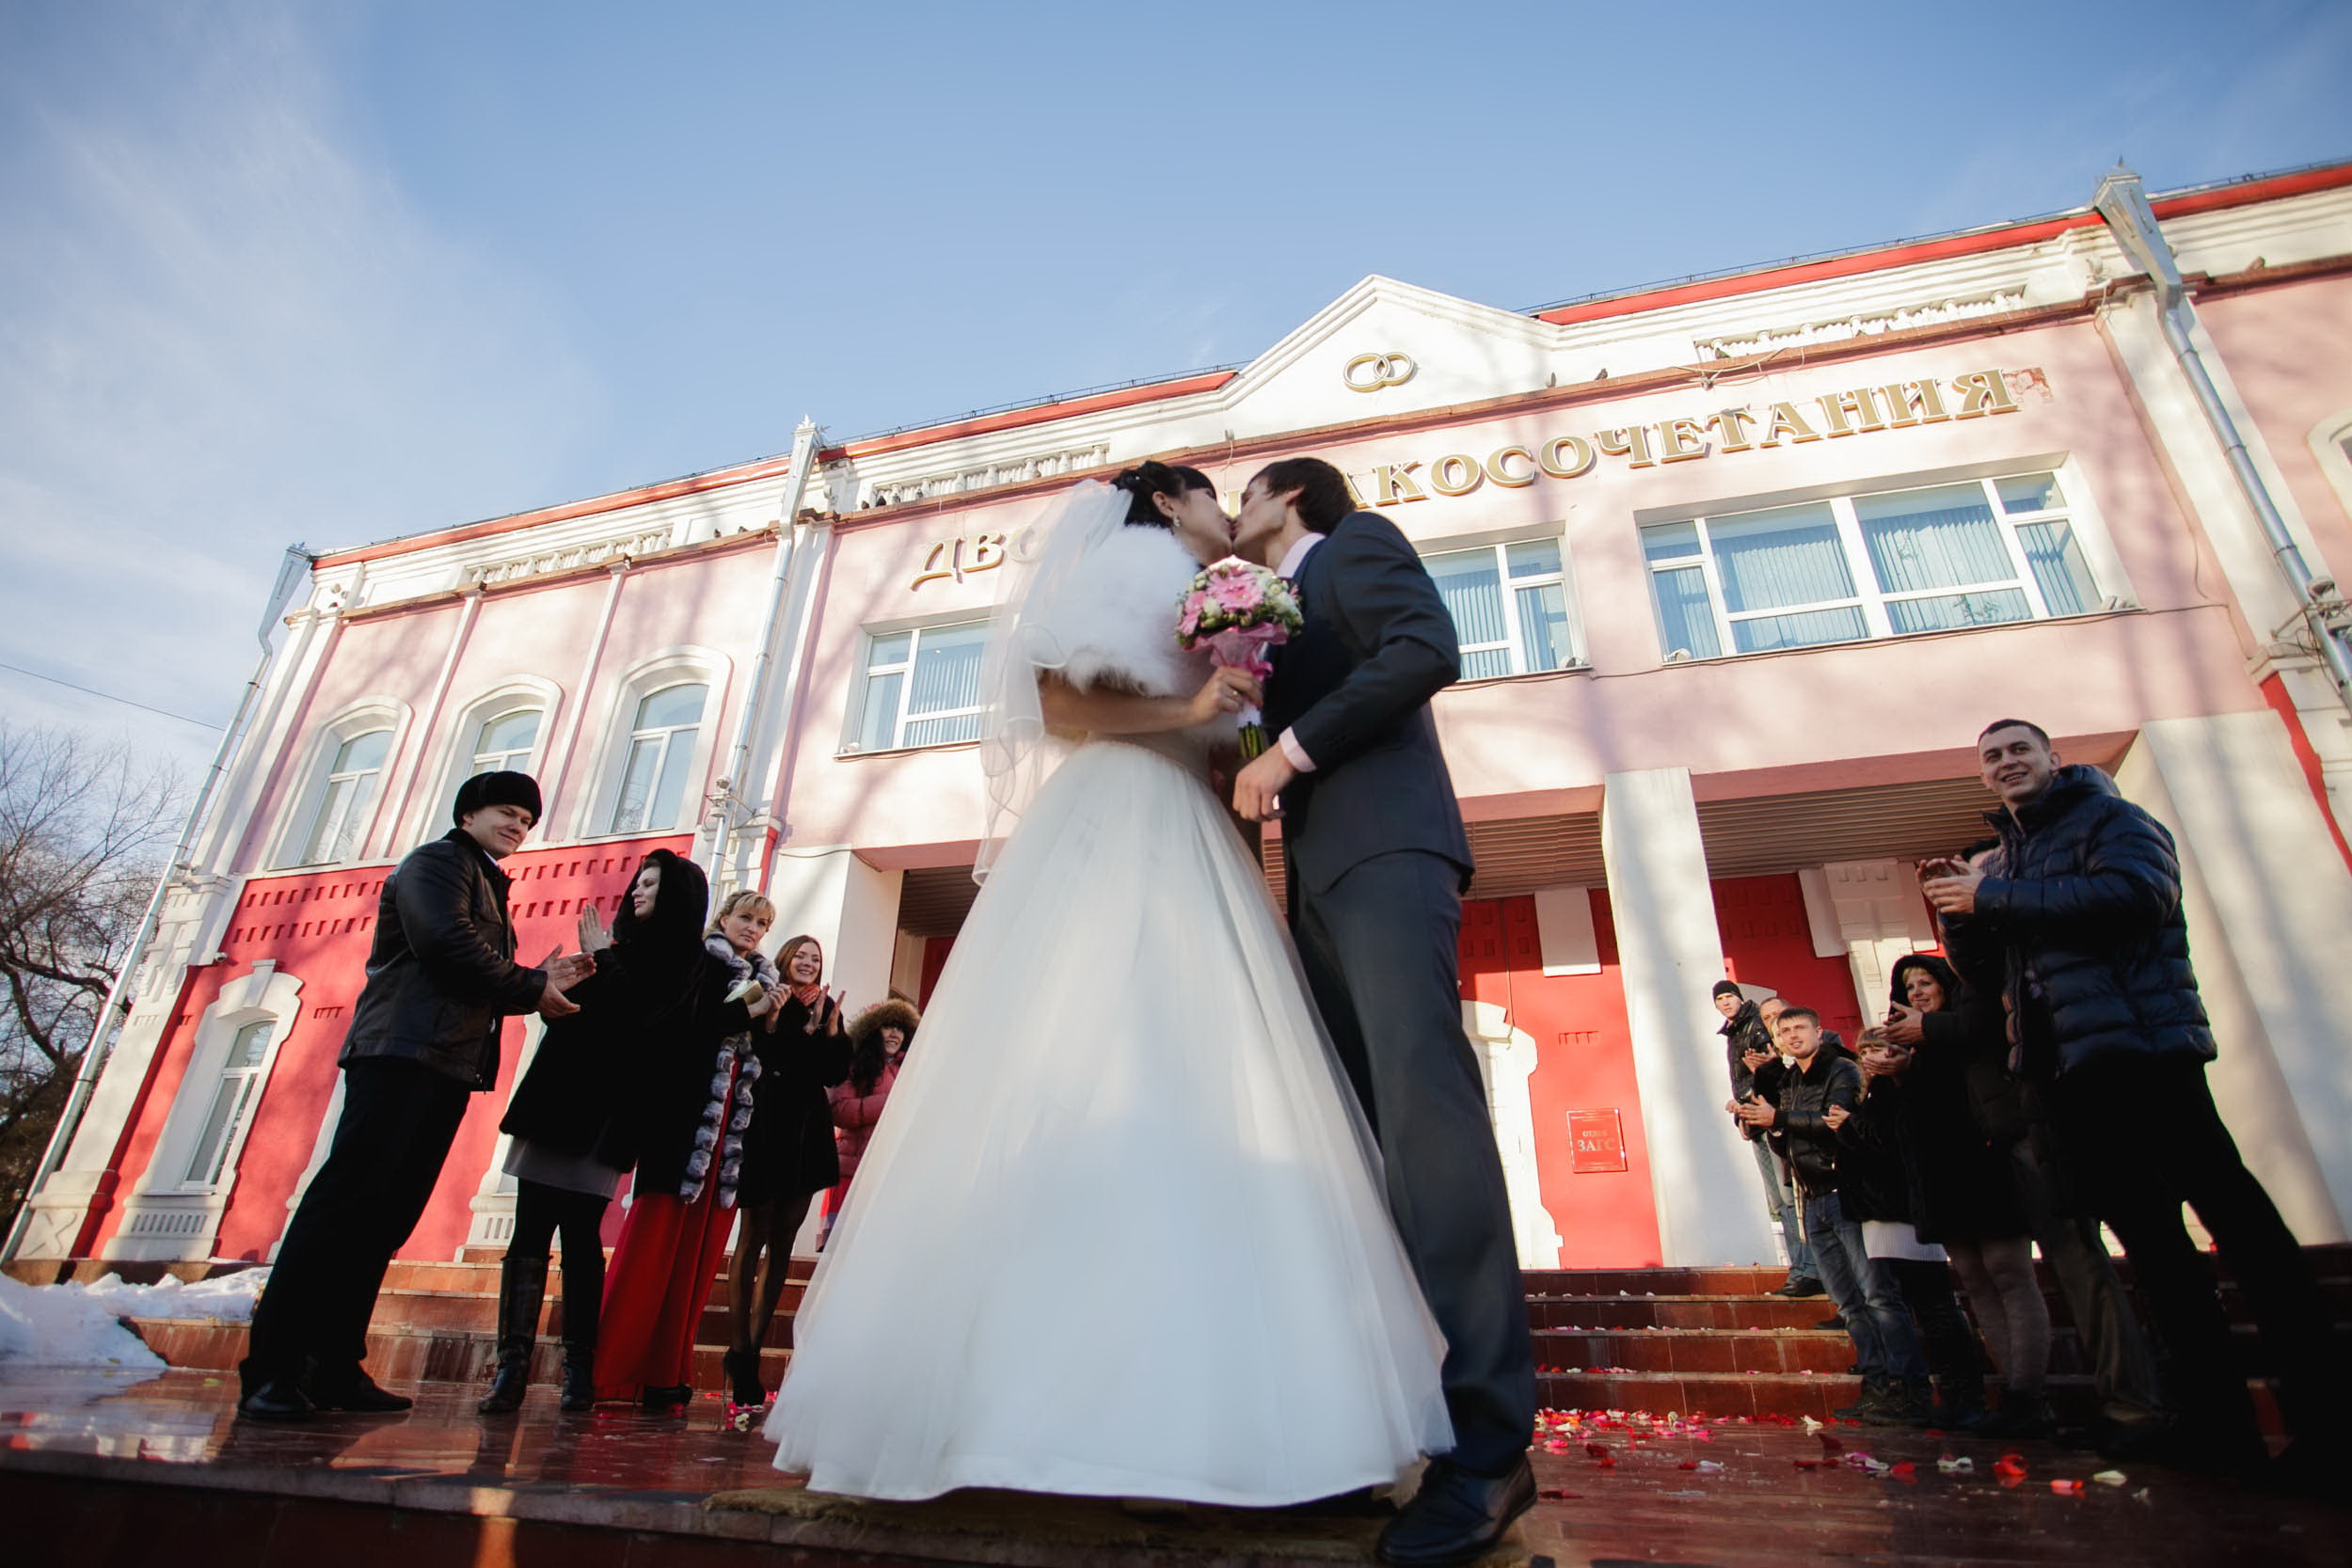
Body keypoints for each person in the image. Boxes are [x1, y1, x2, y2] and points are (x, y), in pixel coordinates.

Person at [768, 464, 1452, 1531]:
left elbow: (1217, 744)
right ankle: (1095, 1414)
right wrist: (1192, 704)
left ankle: (1188, 1414)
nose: (1226, 512)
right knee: (1123, 1047)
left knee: (1195, 1069)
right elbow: (1056, 698)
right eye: (1212, 495)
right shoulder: (1137, 561)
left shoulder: (1214, 594)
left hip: (1188, 821)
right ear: (1169, 502)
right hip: (1123, 814)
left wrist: (1233, 745)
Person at [1231, 455, 1536, 1565]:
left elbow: (1423, 650)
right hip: (1319, 876)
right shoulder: (1270, 606)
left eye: (1246, 491)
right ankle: (1390, 1420)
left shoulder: (1354, 545)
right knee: (1360, 1143)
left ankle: (1491, 1448)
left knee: (1424, 1126)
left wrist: (1284, 753)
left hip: (1387, 849)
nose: (1236, 508)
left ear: (1290, 496)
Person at [1926, 720, 2351, 1481]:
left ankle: (2327, 1421)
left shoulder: (2112, 817)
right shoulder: (2008, 856)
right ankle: (2218, 1426)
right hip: (2067, 1075)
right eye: (1992, 756)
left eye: (2020, 749)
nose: (2007, 762)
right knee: (2154, 1250)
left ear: (2053, 758)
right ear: (1983, 776)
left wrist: (1993, 892)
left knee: (2241, 1227)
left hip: (2145, 1051)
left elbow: (2137, 896)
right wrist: (1961, 918)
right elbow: (1997, 973)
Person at [237, 771, 591, 1420]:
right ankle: (272, 1370)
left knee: (384, 1218)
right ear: (467, 814)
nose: (517, 826)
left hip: (444, 1062)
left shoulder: (484, 880)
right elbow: (444, 946)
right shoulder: (437, 863)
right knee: (343, 1206)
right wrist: (530, 986)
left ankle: (333, 1365)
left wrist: (537, 980)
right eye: (506, 812)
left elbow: (473, 977)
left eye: (526, 820)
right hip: (399, 1053)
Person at [480, 848, 710, 1416]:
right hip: (554, 1104)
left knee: (582, 1241)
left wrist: (604, 960)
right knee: (528, 1237)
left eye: (651, 883)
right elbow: (573, 1016)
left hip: (608, 1119)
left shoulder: (687, 962)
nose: (637, 890)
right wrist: (552, 988)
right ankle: (511, 1368)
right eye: (638, 881)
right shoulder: (613, 947)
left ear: (677, 896)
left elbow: (650, 1025)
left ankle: (578, 1370)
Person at [591, 870, 768, 1407]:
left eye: (763, 923)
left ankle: (668, 1368)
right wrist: (747, 1011)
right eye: (746, 918)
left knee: (696, 1257)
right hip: (681, 1123)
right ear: (723, 918)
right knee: (654, 1244)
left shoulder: (761, 978)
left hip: (725, 1138)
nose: (754, 929)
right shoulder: (700, 961)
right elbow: (682, 1028)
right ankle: (614, 1368)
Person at [1876, 953, 2052, 1436]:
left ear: (1944, 986)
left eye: (1925, 982)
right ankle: (2011, 1393)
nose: (1917, 993)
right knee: (1973, 1279)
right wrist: (1898, 1074)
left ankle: (2029, 1393)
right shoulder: (1909, 1051)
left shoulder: (1965, 1027)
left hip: (1985, 1162)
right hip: (1941, 1175)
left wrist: (1929, 1038)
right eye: (1909, 988)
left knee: (2008, 1270)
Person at [1736, 1006, 1928, 1423]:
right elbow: (1785, 1134)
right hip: (1811, 1197)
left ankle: (1910, 1387)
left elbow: (1834, 1122)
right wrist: (1763, 1123)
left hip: (1845, 1193)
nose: (1792, 1035)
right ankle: (1877, 1383)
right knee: (1847, 1302)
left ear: (1819, 1032)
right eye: (1785, 1031)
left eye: (1800, 1028)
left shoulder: (1842, 1070)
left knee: (1877, 1294)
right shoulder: (1790, 1079)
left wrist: (1779, 1118)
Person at [721, 920, 850, 1416]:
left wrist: (831, 1034)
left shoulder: (827, 1007)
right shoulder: (764, 995)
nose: (809, 964)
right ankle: (739, 1350)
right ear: (785, 959)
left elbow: (833, 1073)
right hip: (764, 1125)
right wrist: (774, 1023)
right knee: (752, 1236)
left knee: (782, 1242)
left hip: (806, 1131)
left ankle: (753, 1349)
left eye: (815, 958)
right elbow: (755, 1053)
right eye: (801, 955)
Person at [1828, 1026, 1988, 1428]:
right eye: (1865, 1051)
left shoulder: (1902, 1090)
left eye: (1880, 1049)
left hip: (1902, 1209)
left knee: (1935, 1304)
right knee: (1921, 1304)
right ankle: (1951, 1393)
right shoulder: (1876, 1092)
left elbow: (1890, 1141)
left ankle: (1965, 1393)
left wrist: (1848, 1126)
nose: (1871, 1058)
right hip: (1880, 1210)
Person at [1716, 982, 1819, 1298]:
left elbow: (1772, 1089)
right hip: (1760, 1125)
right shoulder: (1735, 1032)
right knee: (1778, 1202)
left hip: (1781, 1128)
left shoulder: (1760, 1035)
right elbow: (1747, 1083)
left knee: (1790, 1200)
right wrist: (1742, 1114)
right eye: (1719, 999)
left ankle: (1809, 1270)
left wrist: (1752, 1103)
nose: (1725, 1003)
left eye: (1729, 996)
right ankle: (1800, 1269)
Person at [819, 998, 918, 1245]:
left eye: (900, 1028)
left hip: (889, 1175)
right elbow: (838, 1110)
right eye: (888, 1026)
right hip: (852, 1174)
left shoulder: (911, 1069)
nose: (894, 1033)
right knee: (841, 1250)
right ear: (874, 1031)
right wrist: (888, 1103)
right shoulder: (854, 1065)